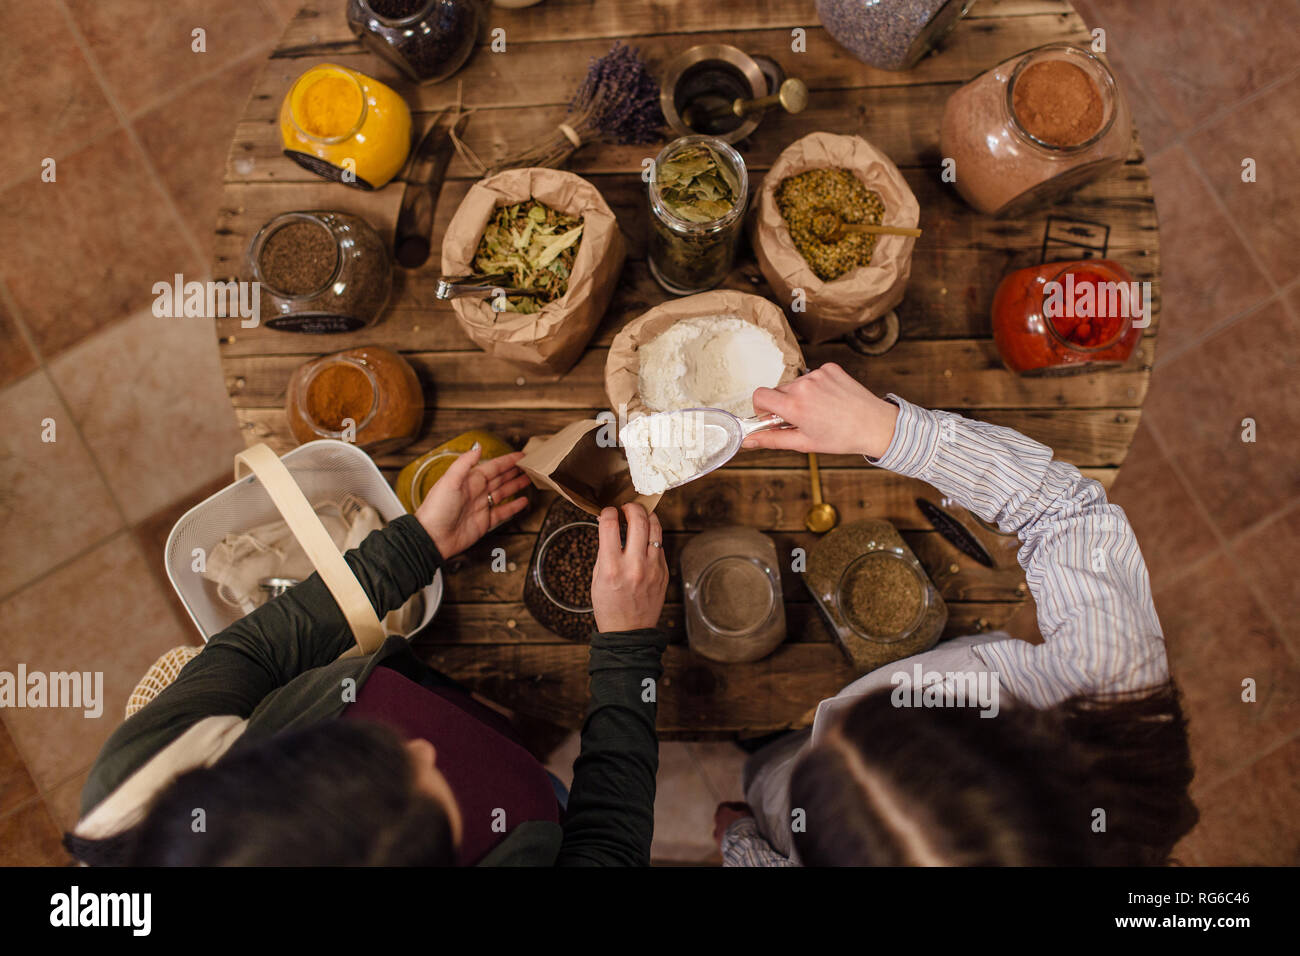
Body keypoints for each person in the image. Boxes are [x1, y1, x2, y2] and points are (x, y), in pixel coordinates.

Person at [66, 444, 670, 866]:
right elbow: (607, 847)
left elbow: (254, 653)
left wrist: (414, 546)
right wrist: (626, 651)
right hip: (546, 817)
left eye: (366, 750)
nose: (422, 748)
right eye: (428, 804)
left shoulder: (140, 787)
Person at [717, 363, 1197, 866]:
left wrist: (743, 841)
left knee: (773, 775)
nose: (839, 728)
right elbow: (1064, 513)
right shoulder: (1110, 691)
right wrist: (885, 429)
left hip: (780, 809)